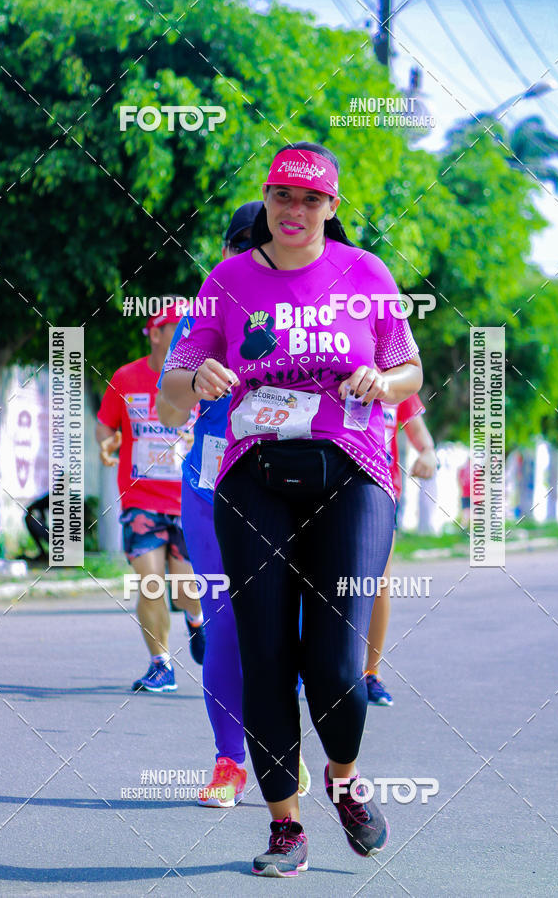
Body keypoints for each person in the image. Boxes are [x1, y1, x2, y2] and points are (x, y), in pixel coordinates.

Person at [161, 141, 422, 876]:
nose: (295, 211)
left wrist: (384, 379)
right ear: (267, 201)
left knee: (337, 660)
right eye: (283, 196)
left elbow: (410, 368)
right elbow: (172, 390)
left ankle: (342, 781)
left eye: (312, 199)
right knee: (264, 651)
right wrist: (199, 377)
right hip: (255, 475)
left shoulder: (366, 273)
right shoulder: (228, 280)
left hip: (353, 470)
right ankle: (284, 825)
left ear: (332, 208)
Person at [157, 202, 311, 807]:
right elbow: (169, 410)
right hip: (212, 490)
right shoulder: (203, 313)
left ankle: (280, 750)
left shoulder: (309, 309)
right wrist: (193, 384)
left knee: (289, 631)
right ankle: (229, 760)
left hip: (293, 489)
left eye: (262, 241)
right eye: (240, 242)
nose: (252, 251)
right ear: (225, 250)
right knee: (224, 628)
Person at [96, 304, 205, 693]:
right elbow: (106, 426)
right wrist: (107, 444)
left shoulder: (201, 377)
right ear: (155, 333)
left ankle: (195, 620)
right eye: (173, 327)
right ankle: (161, 664)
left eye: (185, 327)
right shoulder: (126, 377)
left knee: (185, 587)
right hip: (141, 499)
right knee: (150, 581)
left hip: (188, 498)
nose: (181, 333)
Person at [364, 398, 437, 706]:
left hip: (381, 490)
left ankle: (371, 673)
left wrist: (428, 454)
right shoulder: (339, 360)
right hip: (330, 486)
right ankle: (303, 668)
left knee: (378, 583)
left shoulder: (399, 383)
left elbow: (421, 436)